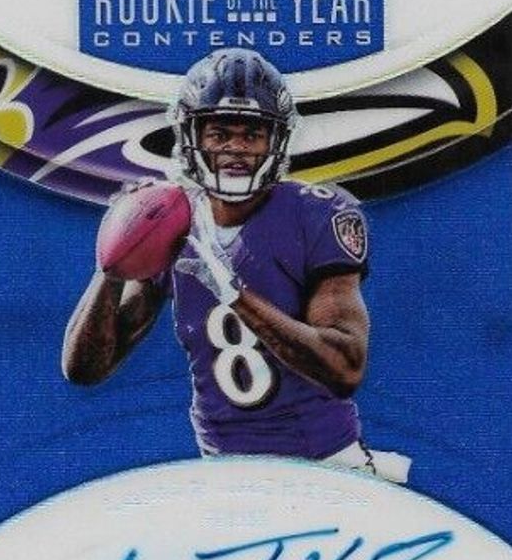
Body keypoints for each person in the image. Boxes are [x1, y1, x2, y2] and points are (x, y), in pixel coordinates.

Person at [62, 48, 410, 482]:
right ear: (191, 136)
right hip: (223, 468)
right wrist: (114, 259)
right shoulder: (174, 219)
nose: (236, 149)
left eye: (253, 135)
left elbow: (344, 367)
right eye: (219, 133)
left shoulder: (317, 213)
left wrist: (234, 294)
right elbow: (86, 369)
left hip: (324, 464)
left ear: (275, 141)